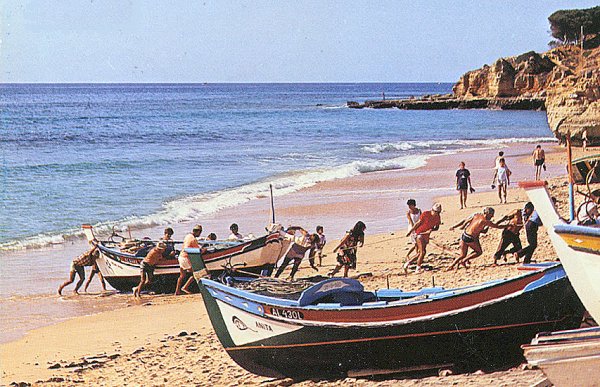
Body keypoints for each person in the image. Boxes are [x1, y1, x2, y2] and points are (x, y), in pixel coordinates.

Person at [404, 204, 442, 273]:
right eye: (435, 212)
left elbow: (437, 227)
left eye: (438, 213)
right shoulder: (425, 214)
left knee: (420, 253)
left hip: (426, 236)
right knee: (423, 252)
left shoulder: (438, 217)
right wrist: (410, 231)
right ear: (432, 210)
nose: (436, 214)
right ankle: (418, 268)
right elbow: (418, 223)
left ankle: (407, 263)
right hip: (419, 234)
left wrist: (431, 229)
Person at [176, 225, 205, 295]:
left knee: (182, 275)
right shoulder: (193, 240)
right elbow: (198, 251)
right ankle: (185, 287)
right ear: (198, 232)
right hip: (186, 258)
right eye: (200, 232)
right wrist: (204, 250)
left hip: (181, 257)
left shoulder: (188, 236)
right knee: (196, 273)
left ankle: (177, 291)